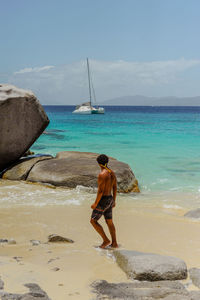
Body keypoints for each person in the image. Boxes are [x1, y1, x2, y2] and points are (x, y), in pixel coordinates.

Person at [90, 154, 118, 249]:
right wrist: (113, 200)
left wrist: (95, 203)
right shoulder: (112, 173)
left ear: (99, 163)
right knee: (109, 221)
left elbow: (101, 191)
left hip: (103, 200)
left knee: (93, 221)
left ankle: (106, 240)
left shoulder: (102, 174)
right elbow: (114, 187)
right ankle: (114, 243)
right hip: (110, 198)